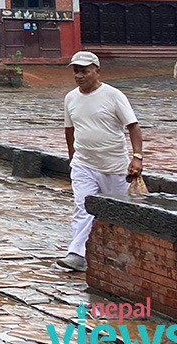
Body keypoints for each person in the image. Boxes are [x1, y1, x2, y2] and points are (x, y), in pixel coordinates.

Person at [56, 50, 144, 272]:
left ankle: (126, 254)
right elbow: (69, 130)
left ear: (96, 70)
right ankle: (77, 254)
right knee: (82, 207)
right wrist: (72, 157)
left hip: (114, 166)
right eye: (76, 71)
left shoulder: (113, 95)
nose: (79, 76)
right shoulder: (71, 98)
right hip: (84, 164)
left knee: (121, 212)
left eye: (84, 71)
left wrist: (137, 157)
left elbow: (133, 126)